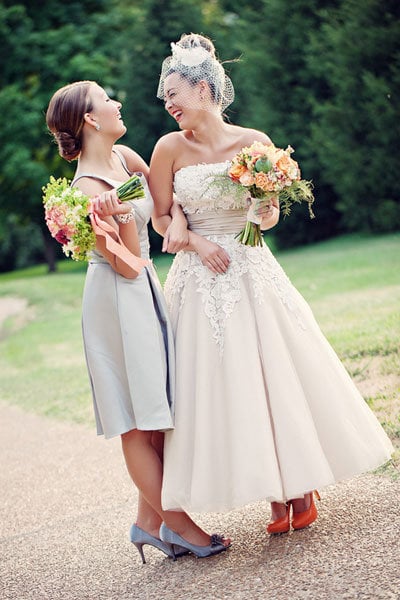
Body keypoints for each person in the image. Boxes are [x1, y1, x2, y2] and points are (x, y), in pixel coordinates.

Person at [149, 34, 394, 534]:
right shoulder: (167, 148)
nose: (167, 103)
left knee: (273, 375)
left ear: (204, 91)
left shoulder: (254, 142)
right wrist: (192, 238)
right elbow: (158, 219)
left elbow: (271, 214)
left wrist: (264, 211)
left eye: (174, 93)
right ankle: (272, 492)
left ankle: (298, 485)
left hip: (252, 268)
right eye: (165, 96)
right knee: (225, 385)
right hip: (200, 279)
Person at [45, 80, 230, 560]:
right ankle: (183, 528)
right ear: (89, 119)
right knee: (136, 422)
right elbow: (123, 262)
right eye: (107, 100)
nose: (117, 103)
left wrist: (181, 224)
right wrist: (111, 221)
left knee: (158, 414)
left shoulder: (125, 158)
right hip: (116, 298)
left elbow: (167, 204)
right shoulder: (87, 189)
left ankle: (149, 524)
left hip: (144, 289)